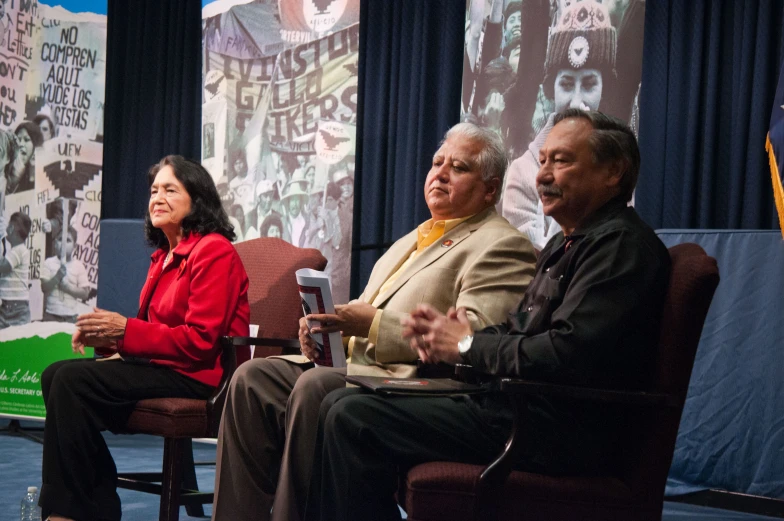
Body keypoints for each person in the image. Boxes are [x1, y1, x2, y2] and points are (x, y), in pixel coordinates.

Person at [303, 110, 672, 521]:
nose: (542, 176)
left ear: (613, 171)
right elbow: (518, 331)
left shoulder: (620, 246)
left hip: (554, 428)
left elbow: (567, 354)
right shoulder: (566, 245)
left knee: (353, 417)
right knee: (342, 405)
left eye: (561, 161)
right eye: (543, 160)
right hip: (518, 409)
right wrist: (453, 338)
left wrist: (465, 344)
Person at [212, 122, 537, 521]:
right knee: (252, 379)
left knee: (317, 386)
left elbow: (473, 338)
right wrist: (323, 334)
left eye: (459, 167)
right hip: (359, 368)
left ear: (490, 189)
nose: (441, 173)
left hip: (421, 382)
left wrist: (369, 325)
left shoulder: (502, 244)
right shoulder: (412, 239)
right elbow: (359, 319)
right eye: (438, 162)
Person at [39, 155, 250, 521]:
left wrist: (126, 332)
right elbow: (147, 332)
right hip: (162, 367)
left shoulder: (214, 251)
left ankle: (78, 510)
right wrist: (106, 336)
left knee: (72, 382)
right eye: (154, 190)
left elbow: (200, 340)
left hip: (199, 375)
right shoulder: (162, 258)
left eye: (170, 189)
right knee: (54, 373)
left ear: (196, 200)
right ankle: (92, 500)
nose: (157, 198)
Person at [501, 0, 616, 250]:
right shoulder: (522, 172)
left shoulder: (614, 171)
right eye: (565, 84)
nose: (576, 100)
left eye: (588, 85)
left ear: (603, 89)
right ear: (550, 90)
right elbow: (532, 263)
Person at [40, 226, 90, 323]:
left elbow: (85, 294)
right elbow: (44, 287)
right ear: (55, 244)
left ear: (75, 246)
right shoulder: (48, 263)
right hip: (51, 315)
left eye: (68, 240)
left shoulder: (79, 266)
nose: (63, 244)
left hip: (71, 317)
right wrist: (56, 278)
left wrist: (68, 288)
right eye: (60, 240)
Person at [0, 212, 32, 328]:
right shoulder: (14, 251)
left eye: (8, 224)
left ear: (12, 228)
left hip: (17, 308)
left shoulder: (19, 250)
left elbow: (3, 266)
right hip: (7, 307)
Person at [9, 121, 44, 193]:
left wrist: (32, 177)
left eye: (26, 140)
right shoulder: (6, 169)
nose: (21, 144)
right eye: (18, 139)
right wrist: (13, 180)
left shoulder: (44, 174)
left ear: (36, 143)